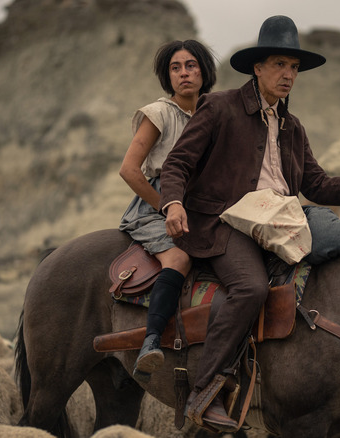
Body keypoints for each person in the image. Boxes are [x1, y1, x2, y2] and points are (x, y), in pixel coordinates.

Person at [158, 16, 340, 431]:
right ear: (257, 68)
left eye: (294, 68)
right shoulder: (219, 106)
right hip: (226, 223)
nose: (288, 75)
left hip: (280, 221)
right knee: (251, 287)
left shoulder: (293, 127)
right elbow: (177, 163)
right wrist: (173, 203)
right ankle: (204, 390)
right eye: (280, 64)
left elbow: (315, 183)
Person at [118, 40, 217, 385]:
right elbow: (129, 169)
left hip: (204, 206)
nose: (184, 73)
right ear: (168, 76)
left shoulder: (215, 111)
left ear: (204, 71)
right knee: (178, 258)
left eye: (191, 66)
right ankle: (151, 340)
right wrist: (166, 206)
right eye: (176, 68)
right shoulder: (158, 113)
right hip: (156, 205)